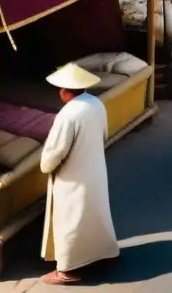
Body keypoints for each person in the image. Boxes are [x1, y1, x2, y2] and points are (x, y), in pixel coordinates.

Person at [39, 63, 120, 285]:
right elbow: (104, 134)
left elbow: (55, 152)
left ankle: (66, 269)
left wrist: (46, 165)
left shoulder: (68, 115)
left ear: (65, 91)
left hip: (72, 175)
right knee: (96, 212)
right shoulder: (96, 104)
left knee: (71, 219)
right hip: (94, 168)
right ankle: (105, 252)